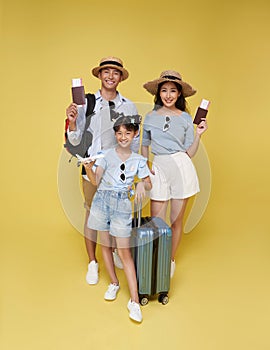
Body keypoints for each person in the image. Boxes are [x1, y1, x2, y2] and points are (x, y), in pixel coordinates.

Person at [66, 56, 139, 285]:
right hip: (92, 165)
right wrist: (73, 122)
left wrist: (136, 170)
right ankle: (92, 262)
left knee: (118, 211)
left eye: (115, 72)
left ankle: (116, 251)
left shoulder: (129, 106)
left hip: (118, 168)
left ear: (120, 78)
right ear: (99, 75)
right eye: (106, 72)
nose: (110, 76)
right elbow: (75, 140)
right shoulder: (85, 103)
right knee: (92, 212)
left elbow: (134, 143)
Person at [83, 114, 152, 323]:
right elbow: (95, 181)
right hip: (102, 201)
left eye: (127, 133)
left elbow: (148, 182)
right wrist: (88, 167)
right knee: (105, 245)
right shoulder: (105, 155)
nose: (123, 137)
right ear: (115, 134)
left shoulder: (138, 160)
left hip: (122, 205)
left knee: (124, 252)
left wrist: (140, 184)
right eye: (119, 133)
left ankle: (134, 301)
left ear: (135, 134)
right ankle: (114, 282)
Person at [141, 70, 208, 278]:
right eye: (164, 90)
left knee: (176, 221)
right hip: (159, 167)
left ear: (179, 94)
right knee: (157, 221)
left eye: (173, 91)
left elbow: (189, 152)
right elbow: (144, 145)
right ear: (158, 93)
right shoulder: (150, 117)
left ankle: (169, 260)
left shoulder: (187, 119)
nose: (168, 95)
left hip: (181, 166)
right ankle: (155, 257)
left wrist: (198, 135)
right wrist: (145, 168)